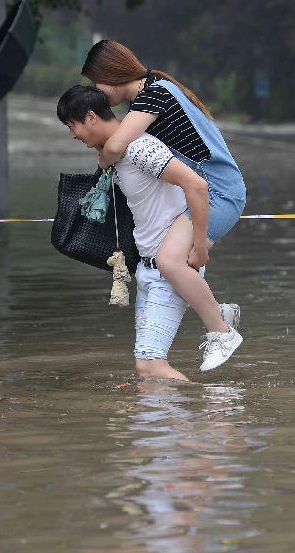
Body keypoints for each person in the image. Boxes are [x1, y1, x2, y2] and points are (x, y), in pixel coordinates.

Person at [56, 85, 242, 378]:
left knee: (150, 366)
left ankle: (213, 414)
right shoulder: (116, 155)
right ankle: (180, 419)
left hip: (168, 272)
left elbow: (196, 185)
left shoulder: (139, 149)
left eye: (72, 126)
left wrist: (200, 245)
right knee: (147, 373)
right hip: (148, 269)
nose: (73, 135)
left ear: (91, 117)